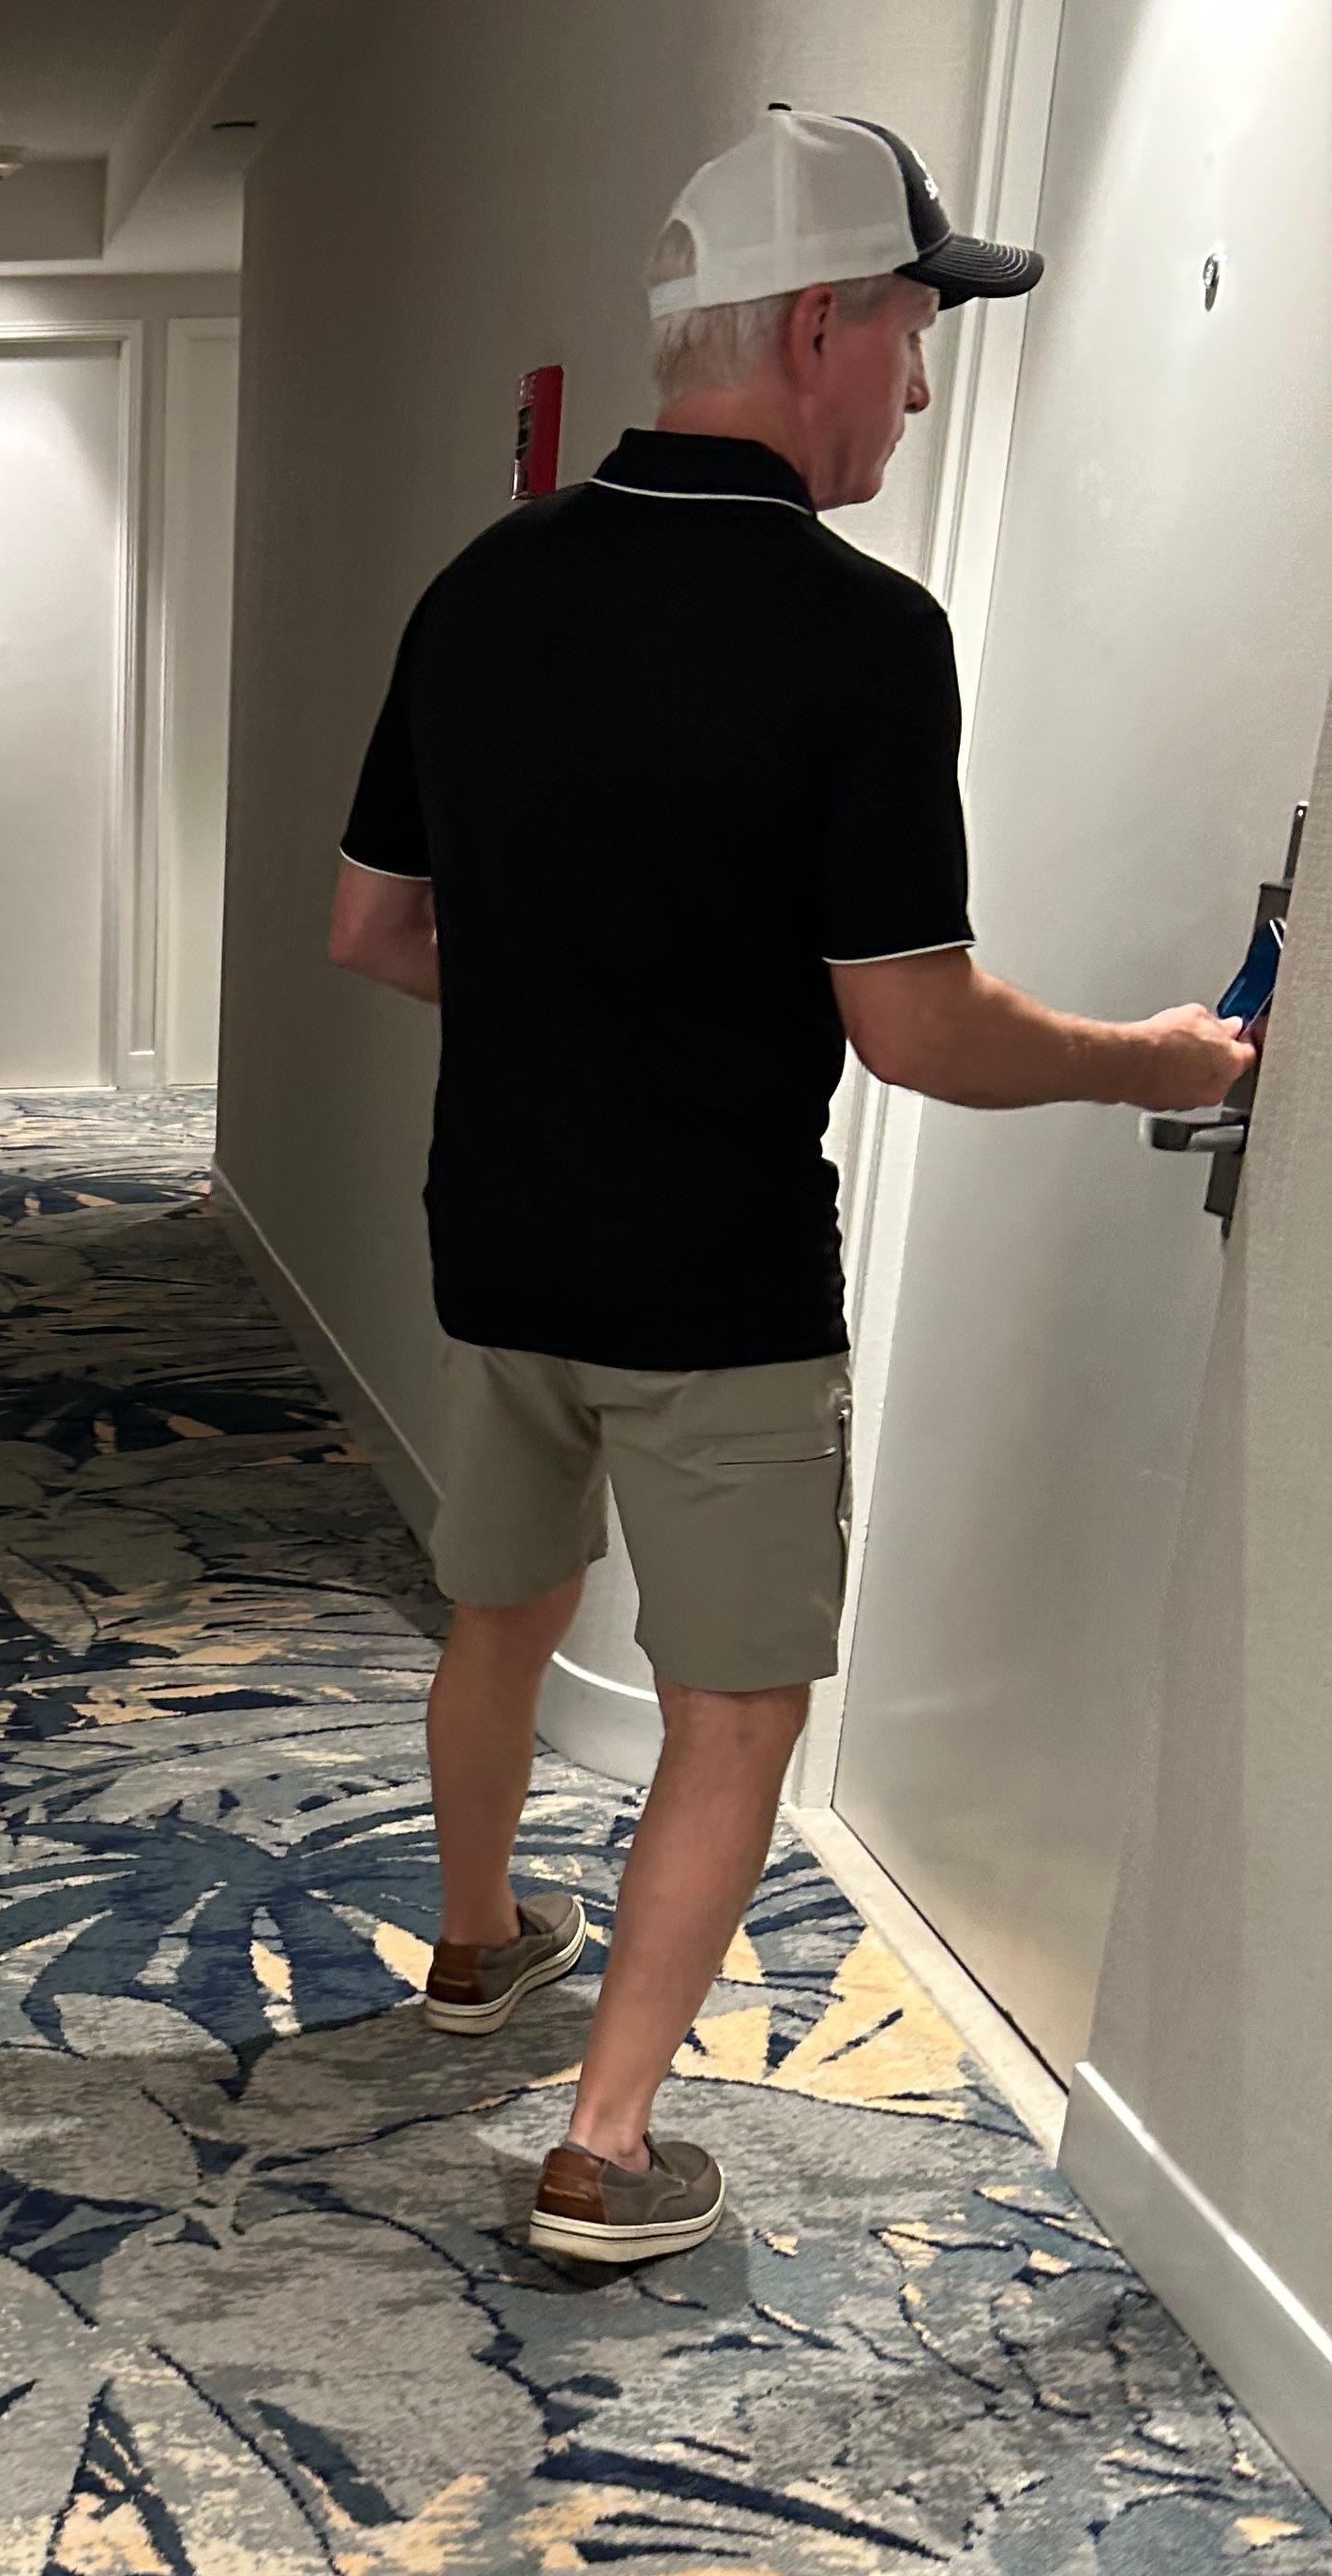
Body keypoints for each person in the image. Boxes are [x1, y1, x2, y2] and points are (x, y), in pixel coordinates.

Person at [328, 105, 1255, 2269]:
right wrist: (1158, 1059)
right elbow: (914, 1025)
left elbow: (375, 930)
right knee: (736, 1703)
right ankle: (603, 2145)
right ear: (821, 324)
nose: (920, 393)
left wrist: (566, 989)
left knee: (500, 1608)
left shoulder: (480, 589)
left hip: (501, 1235)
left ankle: (475, 1940)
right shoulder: (861, 635)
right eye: (916, 336)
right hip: (716, 1283)